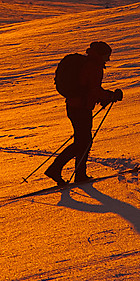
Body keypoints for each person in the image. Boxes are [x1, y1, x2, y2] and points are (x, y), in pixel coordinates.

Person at [45, 41, 123, 185]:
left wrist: (101, 98)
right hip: (80, 108)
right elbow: (94, 89)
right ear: (101, 55)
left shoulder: (87, 63)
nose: (108, 59)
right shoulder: (94, 67)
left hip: (75, 107)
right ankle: (56, 169)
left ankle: (78, 174)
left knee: (83, 141)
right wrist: (111, 96)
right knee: (83, 142)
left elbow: (87, 88)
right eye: (107, 55)